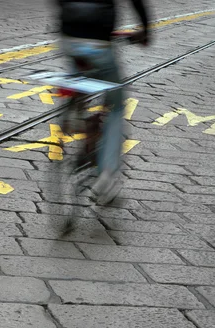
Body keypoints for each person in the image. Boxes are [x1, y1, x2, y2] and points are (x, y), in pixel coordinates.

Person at [55, 0, 150, 204]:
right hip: (99, 41)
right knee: (116, 104)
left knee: (78, 77)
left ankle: (77, 112)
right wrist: (145, 30)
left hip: (69, 37)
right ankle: (107, 176)